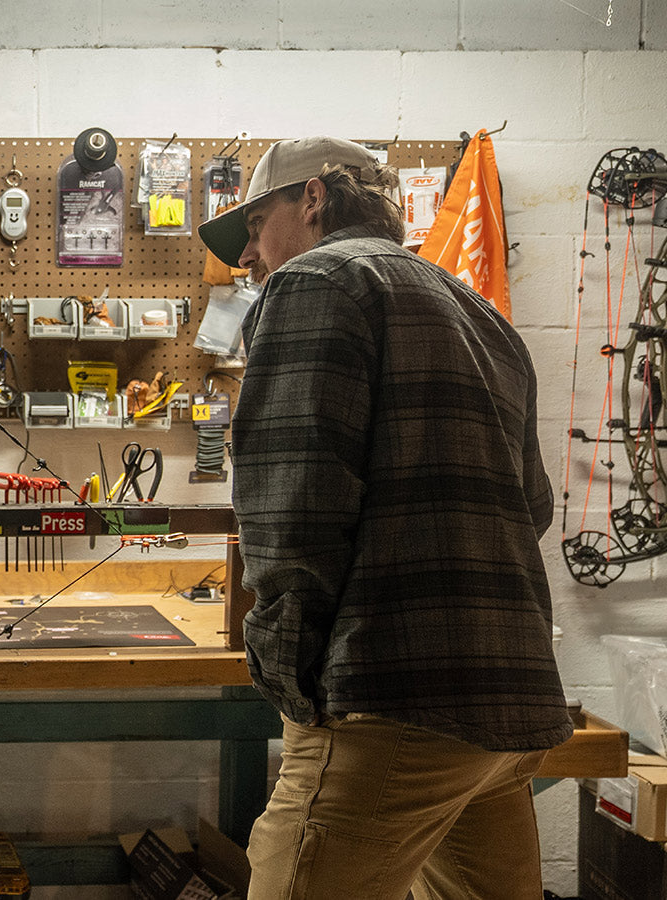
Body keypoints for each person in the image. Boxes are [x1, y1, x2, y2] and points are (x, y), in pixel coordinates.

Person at [198, 136, 573, 899]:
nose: (248, 258)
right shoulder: (478, 310)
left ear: (313, 199)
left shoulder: (314, 281)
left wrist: (293, 687)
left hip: (389, 701)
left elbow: (293, 509)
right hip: (508, 709)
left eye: (256, 225)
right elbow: (533, 505)